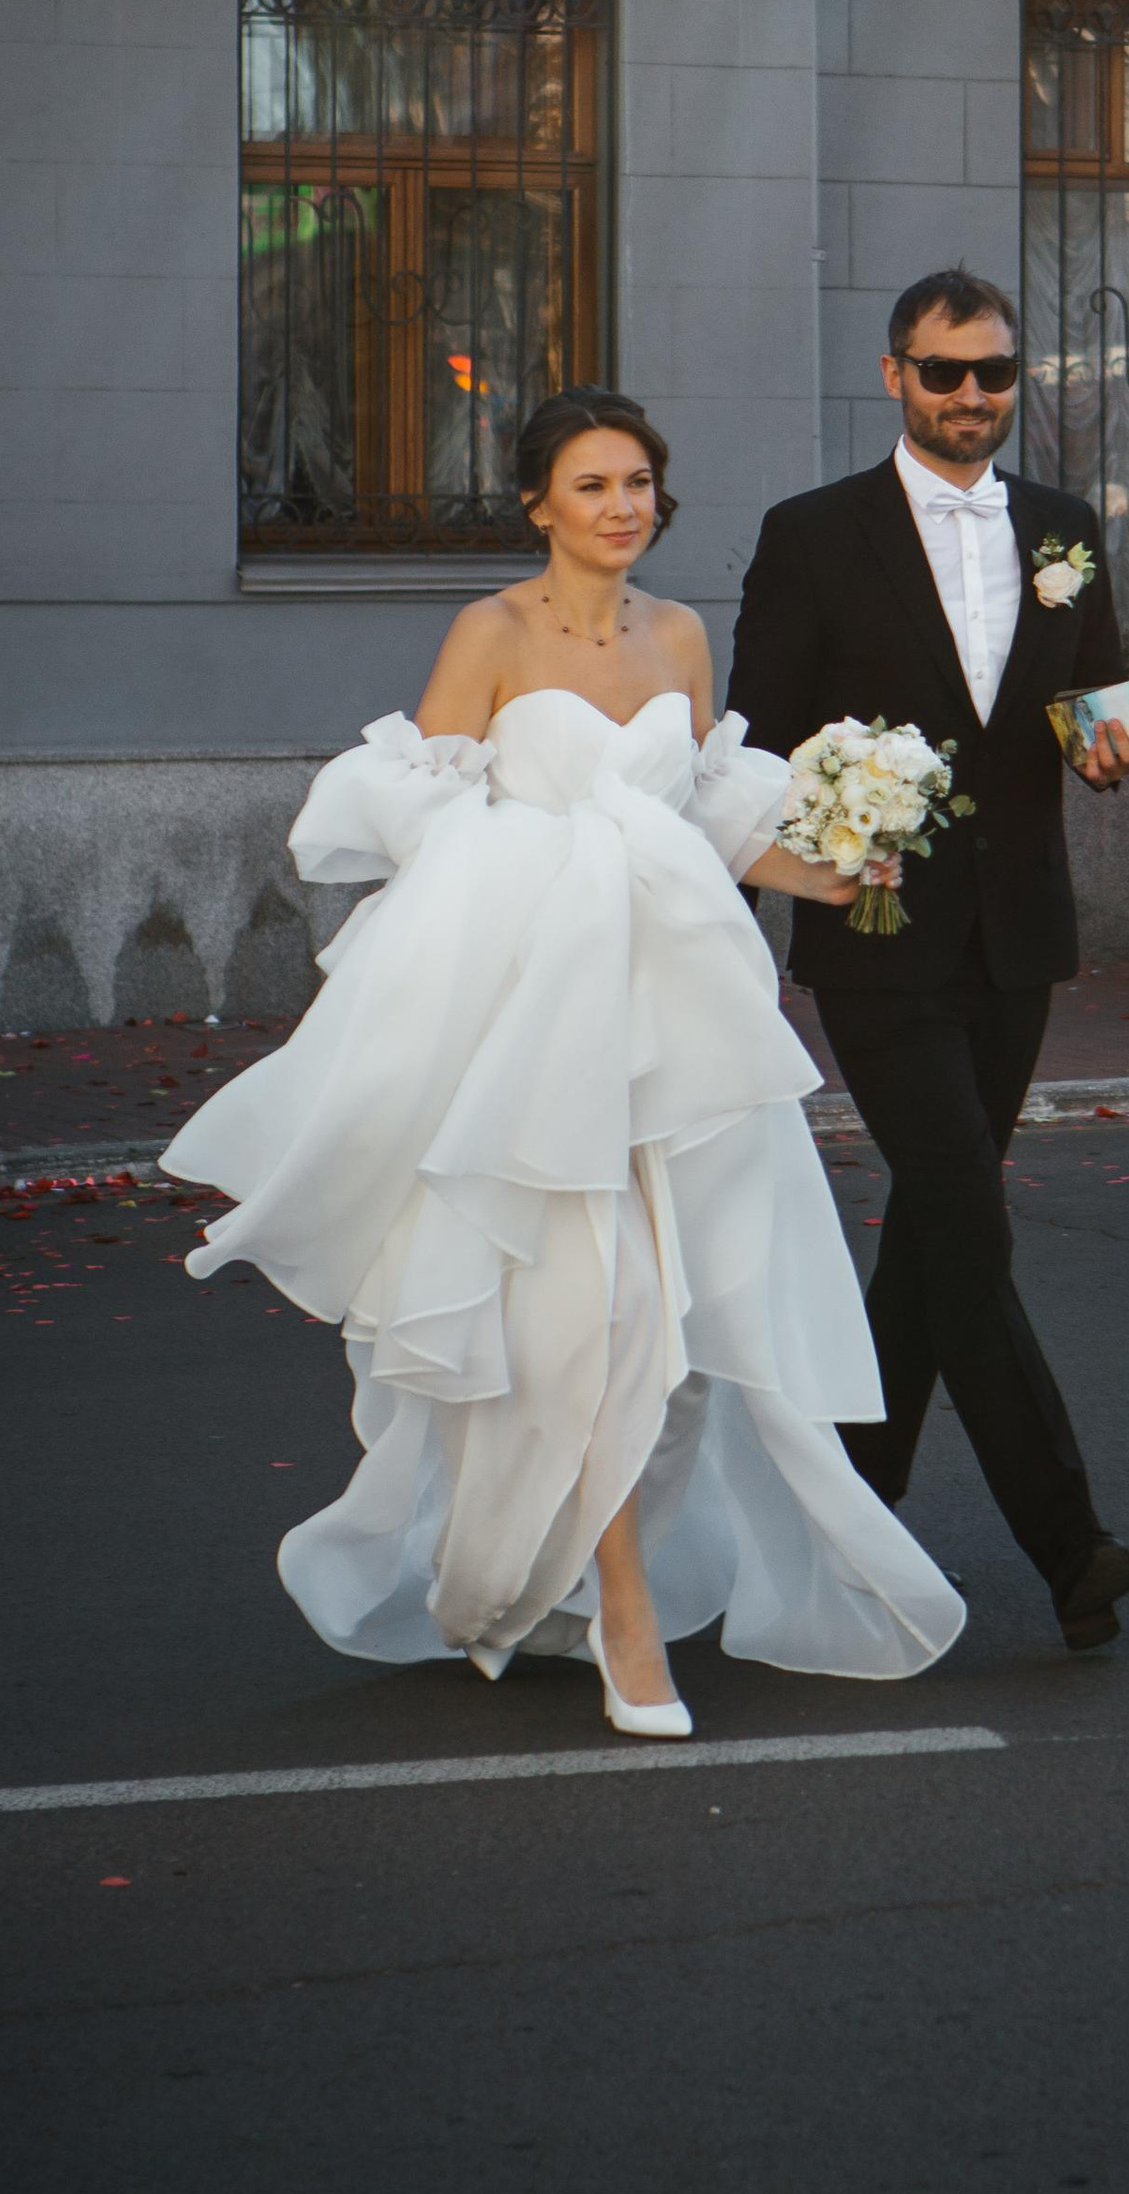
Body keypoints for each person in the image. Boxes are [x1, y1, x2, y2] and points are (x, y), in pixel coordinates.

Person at [167, 388, 963, 1740]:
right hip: (535, 1027)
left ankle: (571, 1585)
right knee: (577, 1324)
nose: (622, 507)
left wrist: (840, 871)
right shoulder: (489, 632)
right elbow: (428, 825)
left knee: (671, 1331)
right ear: (538, 502)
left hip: (672, 1026)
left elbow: (705, 821)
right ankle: (626, 1617)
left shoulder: (683, 635)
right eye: (593, 485)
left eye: (641, 482)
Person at [728, 266, 1129, 1657]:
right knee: (967, 1216)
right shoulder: (812, 535)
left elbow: (1094, 684)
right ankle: (1068, 1541)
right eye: (943, 372)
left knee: (931, 1229)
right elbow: (758, 737)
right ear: (894, 374)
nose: (972, 397)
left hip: (1019, 926)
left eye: (994, 375)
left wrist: (1108, 739)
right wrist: (835, 823)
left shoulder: (1065, 530)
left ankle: (846, 1505)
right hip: (875, 931)